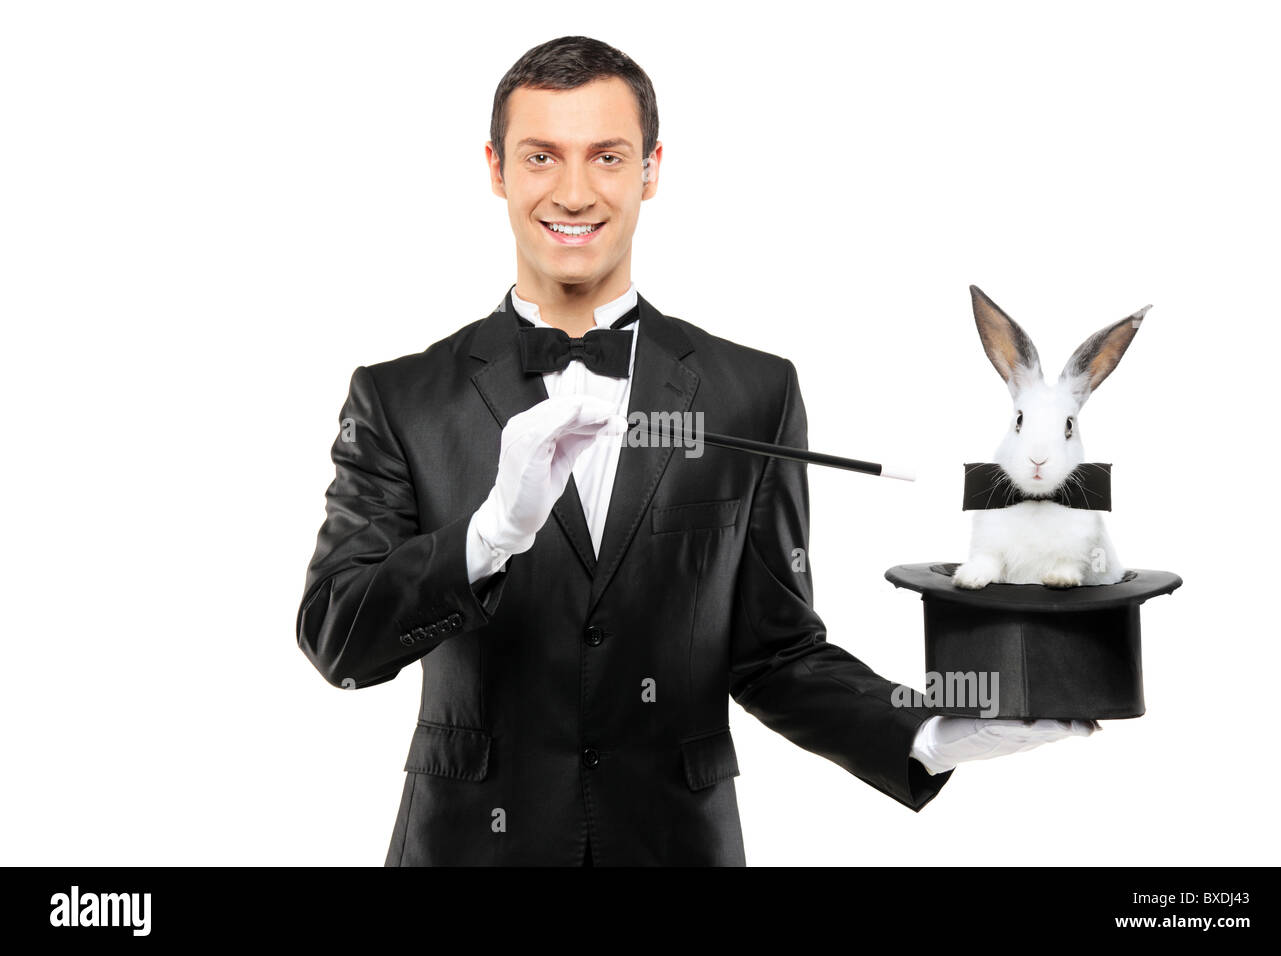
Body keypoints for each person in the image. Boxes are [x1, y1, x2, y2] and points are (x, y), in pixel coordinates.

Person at [296, 35, 1095, 867]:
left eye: (607, 156)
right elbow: (337, 636)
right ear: (496, 169)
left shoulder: (754, 390)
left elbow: (775, 649)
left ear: (650, 169)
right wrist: (488, 534)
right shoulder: (398, 397)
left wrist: (925, 728)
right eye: (541, 157)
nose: (574, 191)